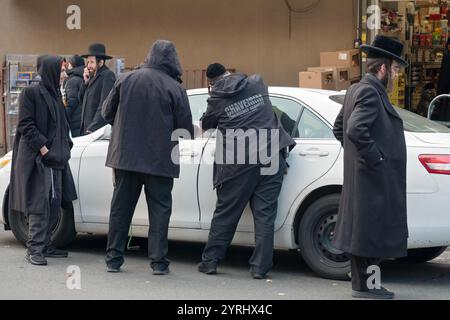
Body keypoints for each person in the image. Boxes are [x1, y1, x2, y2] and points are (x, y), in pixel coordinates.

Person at [102, 40, 194, 275]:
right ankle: (159, 263)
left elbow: (106, 113)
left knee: (120, 210)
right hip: (160, 161)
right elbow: (183, 129)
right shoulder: (175, 88)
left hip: (126, 157)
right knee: (160, 212)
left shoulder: (125, 79)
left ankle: (114, 259)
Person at [197, 63, 296, 279]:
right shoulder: (257, 84)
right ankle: (260, 268)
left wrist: (212, 96)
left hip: (239, 163)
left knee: (226, 213)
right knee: (265, 215)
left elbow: (207, 123)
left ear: (212, 83)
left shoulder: (217, 97)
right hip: (271, 155)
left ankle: (210, 262)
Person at [332, 35, 409, 299]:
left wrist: (357, 157)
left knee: (364, 233)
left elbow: (340, 128)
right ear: (383, 67)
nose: (397, 76)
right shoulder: (369, 91)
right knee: (373, 234)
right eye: (396, 69)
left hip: (365, 176)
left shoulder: (356, 89)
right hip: (373, 176)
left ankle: (364, 286)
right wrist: (374, 158)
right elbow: (354, 129)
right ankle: (370, 288)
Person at [9, 55, 77, 266]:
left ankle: (46, 245)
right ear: (51, 71)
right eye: (61, 70)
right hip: (39, 159)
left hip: (56, 159)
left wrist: (65, 146)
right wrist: (44, 148)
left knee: (54, 203)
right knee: (39, 204)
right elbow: (25, 125)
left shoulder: (55, 93)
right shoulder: (31, 93)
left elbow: (61, 124)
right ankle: (35, 249)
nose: (64, 75)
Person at [79, 43, 116, 135]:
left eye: (92, 62)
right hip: (86, 128)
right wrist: (85, 82)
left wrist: (92, 128)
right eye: (88, 62)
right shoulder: (91, 77)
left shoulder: (107, 76)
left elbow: (105, 105)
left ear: (101, 62)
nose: (88, 65)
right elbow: (80, 99)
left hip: (96, 131)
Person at [63, 55, 85, 137]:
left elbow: (71, 103)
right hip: (81, 119)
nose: (68, 67)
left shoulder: (73, 80)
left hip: (74, 120)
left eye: (69, 64)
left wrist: (63, 118)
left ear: (73, 65)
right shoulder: (84, 77)